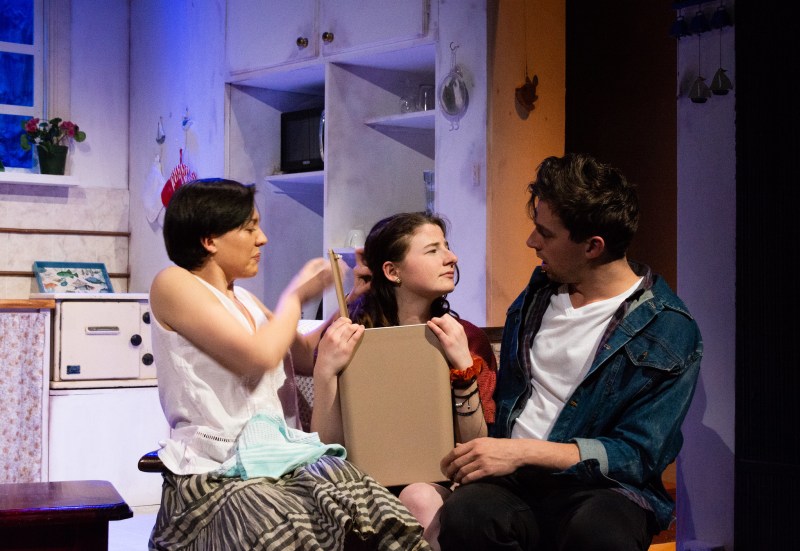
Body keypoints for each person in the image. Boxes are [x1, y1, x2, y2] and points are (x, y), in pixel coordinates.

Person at [435, 153, 703, 550]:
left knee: (599, 531)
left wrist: (522, 452)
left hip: (600, 490)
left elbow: (638, 455)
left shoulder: (668, 329)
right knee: (468, 513)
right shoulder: (536, 296)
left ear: (593, 246)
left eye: (545, 233)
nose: (531, 241)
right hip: (516, 484)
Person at [147, 178, 429, 550]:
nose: (262, 239)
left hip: (275, 460)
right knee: (273, 519)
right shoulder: (172, 283)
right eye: (250, 228)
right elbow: (257, 357)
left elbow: (304, 355)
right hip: (215, 471)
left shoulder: (245, 299)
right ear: (210, 240)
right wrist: (296, 296)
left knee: (365, 501)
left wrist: (351, 300)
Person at [310, 212, 498, 549]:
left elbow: (476, 444)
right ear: (392, 271)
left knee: (419, 497)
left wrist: (462, 364)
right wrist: (325, 371)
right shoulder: (352, 336)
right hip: (362, 480)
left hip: (442, 480)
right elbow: (328, 448)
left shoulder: (464, 337)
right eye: (433, 250)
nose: (451, 257)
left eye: (447, 247)